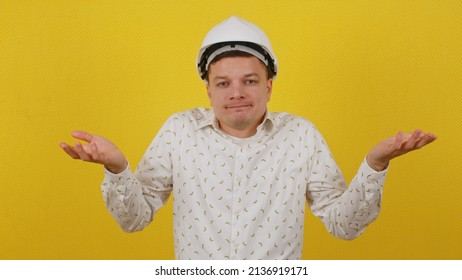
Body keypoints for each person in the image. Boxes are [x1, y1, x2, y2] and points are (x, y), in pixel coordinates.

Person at [60, 16, 437, 260]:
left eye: (250, 81)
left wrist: (374, 165)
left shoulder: (300, 136)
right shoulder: (179, 132)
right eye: (223, 83)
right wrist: (117, 167)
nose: (236, 92)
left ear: (269, 86)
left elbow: (344, 225)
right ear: (208, 90)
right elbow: (134, 219)